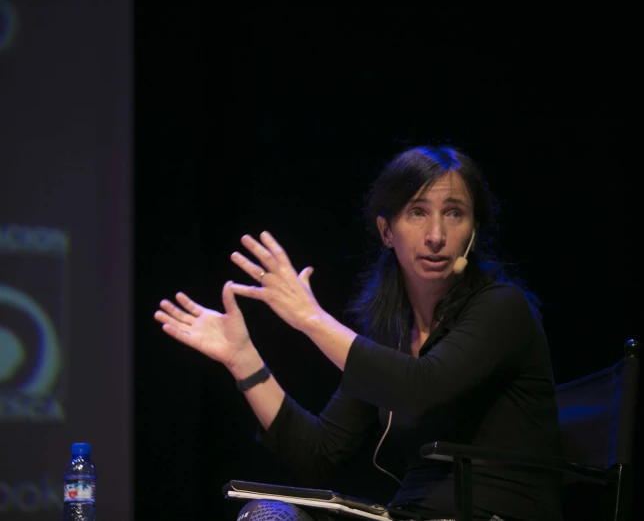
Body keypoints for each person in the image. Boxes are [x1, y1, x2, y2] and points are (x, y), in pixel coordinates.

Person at [153, 146, 563, 521]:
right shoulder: (390, 333)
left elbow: (421, 388)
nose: (436, 235)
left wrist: (310, 318)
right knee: (269, 515)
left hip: (498, 514)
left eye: (454, 213)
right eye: (417, 212)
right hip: (409, 514)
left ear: (473, 229)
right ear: (387, 231)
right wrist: (244, 361)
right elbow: (321, 452)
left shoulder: (502, 308)